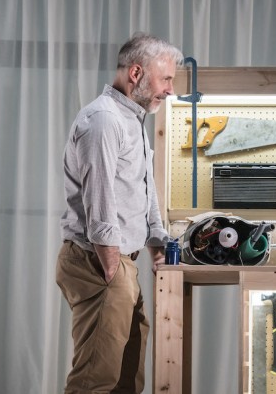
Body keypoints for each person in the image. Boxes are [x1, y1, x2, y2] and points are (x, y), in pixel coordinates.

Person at [56, 33, 183, 393]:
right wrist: (112, 265)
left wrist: (156, 239)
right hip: (98, 259)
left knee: (128, 375)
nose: (170, 90)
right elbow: (100, 199)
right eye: (166, 79)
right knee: (95, 380)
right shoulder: (103, 120)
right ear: (137, 73)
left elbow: (142, 188)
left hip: (119, 261)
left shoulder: (133, 120)